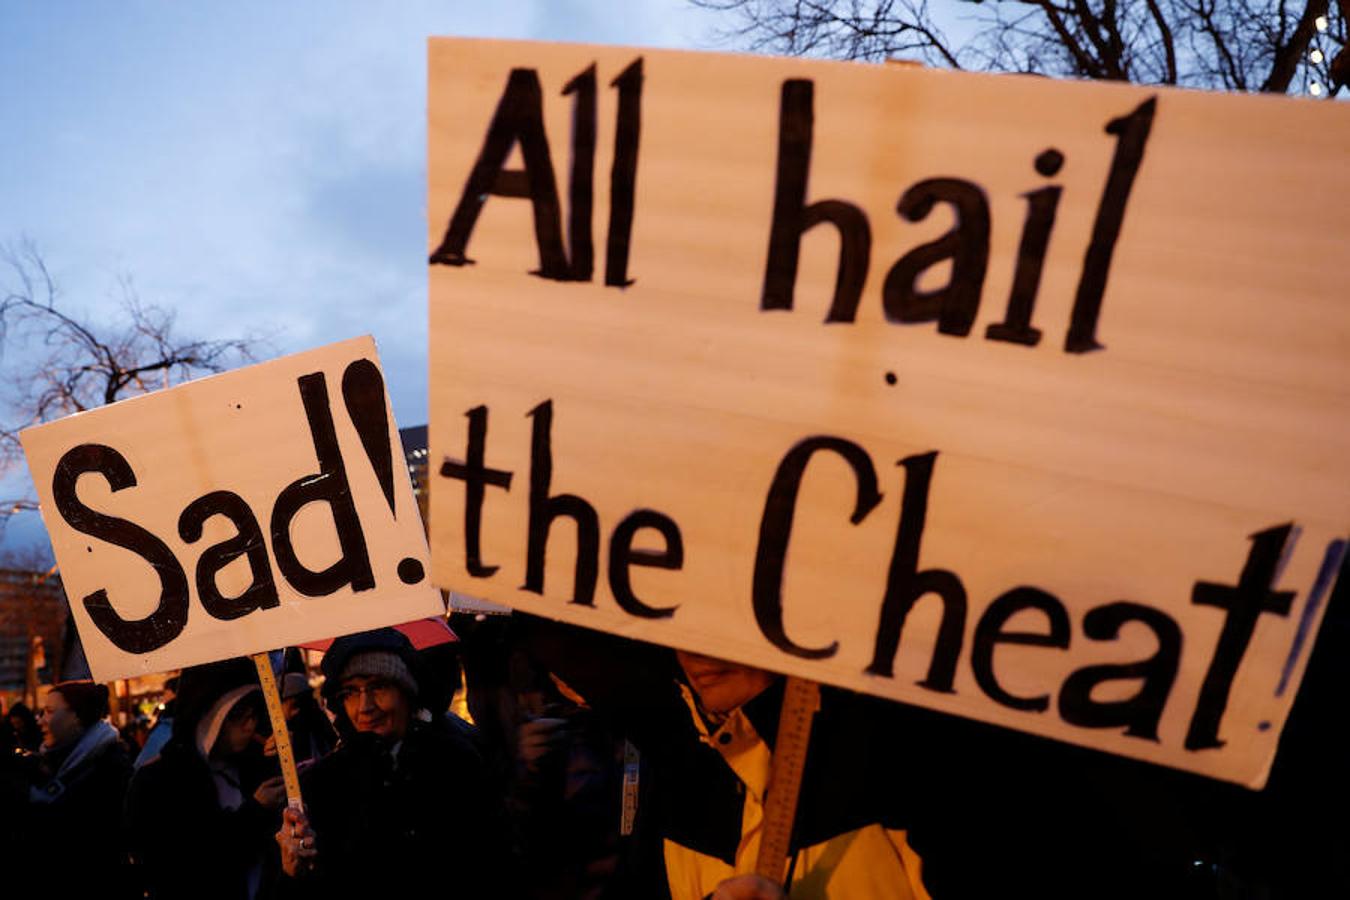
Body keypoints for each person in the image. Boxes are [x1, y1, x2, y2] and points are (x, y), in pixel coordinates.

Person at [276, 628, 509, 898]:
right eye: (351, 691)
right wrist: (293, 873)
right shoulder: (322, 784)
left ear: (407, 692)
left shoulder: (455, 762)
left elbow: (493, 863)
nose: (364, 707)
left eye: (378, 687)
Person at [126, 658, 288, 900]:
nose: (250, 725)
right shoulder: (159, 780)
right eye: (237, 716)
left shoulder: (255, 766)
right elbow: (187, 861)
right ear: (208, 718)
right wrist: (256, 812)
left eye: (253, 715)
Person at [19, 681, 135, 896]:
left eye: (49, 711)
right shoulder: (53, 762)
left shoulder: (109, 769)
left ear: (77, 716)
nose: (40, 720)